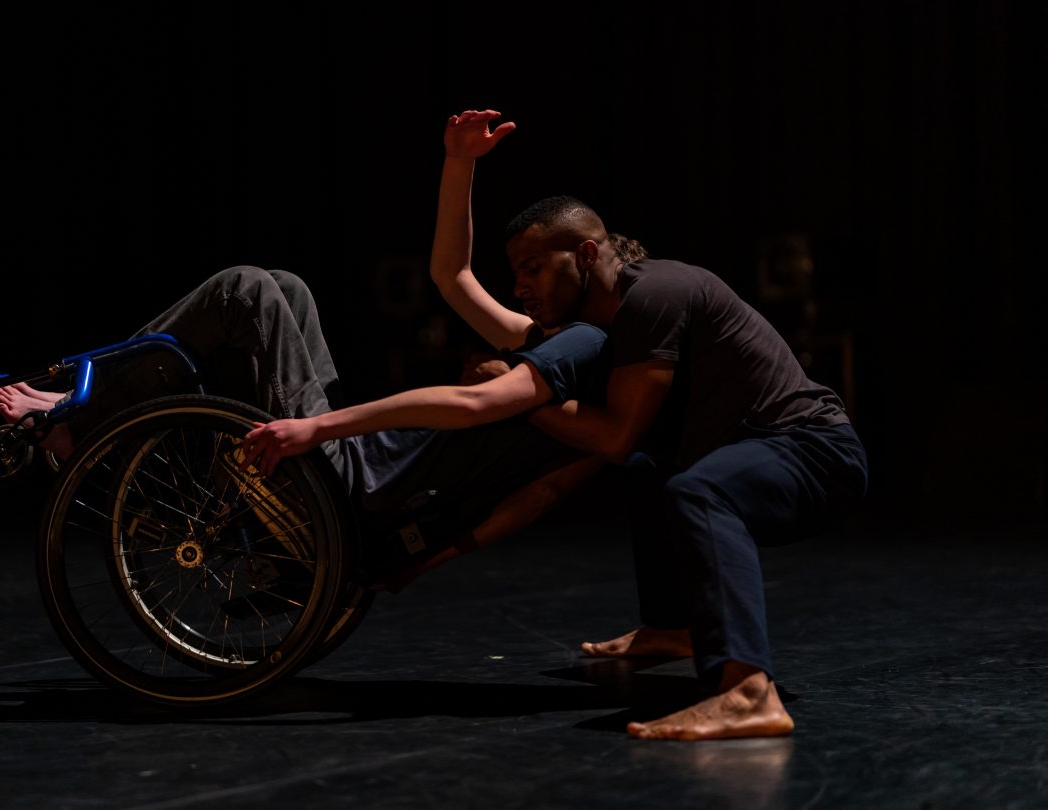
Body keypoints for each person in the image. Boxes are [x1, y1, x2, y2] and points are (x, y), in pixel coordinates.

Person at [254, 108, 868, 741]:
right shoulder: (579, 343)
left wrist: (514, 394)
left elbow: (613, 434)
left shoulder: (653, 297)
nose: (519, 287)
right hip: (746, 449)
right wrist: (460, 163)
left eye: (532, 269)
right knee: (653, 472)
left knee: (694, 486)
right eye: (516, 272)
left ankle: (747, 691)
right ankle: (672, 627)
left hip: (811, 447)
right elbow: (453, 279)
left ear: (585, 255)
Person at [0, 264, 610, 590]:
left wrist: (320, 431)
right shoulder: (600, 420)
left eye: (534, 269)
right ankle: (90, 405)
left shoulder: (576, 350)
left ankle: (80, 412)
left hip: (352, 480)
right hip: (364, 481)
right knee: (287, 286)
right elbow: (540, 495)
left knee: (247, 291)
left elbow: (473, 401)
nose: (524, 289)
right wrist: (421, 564)